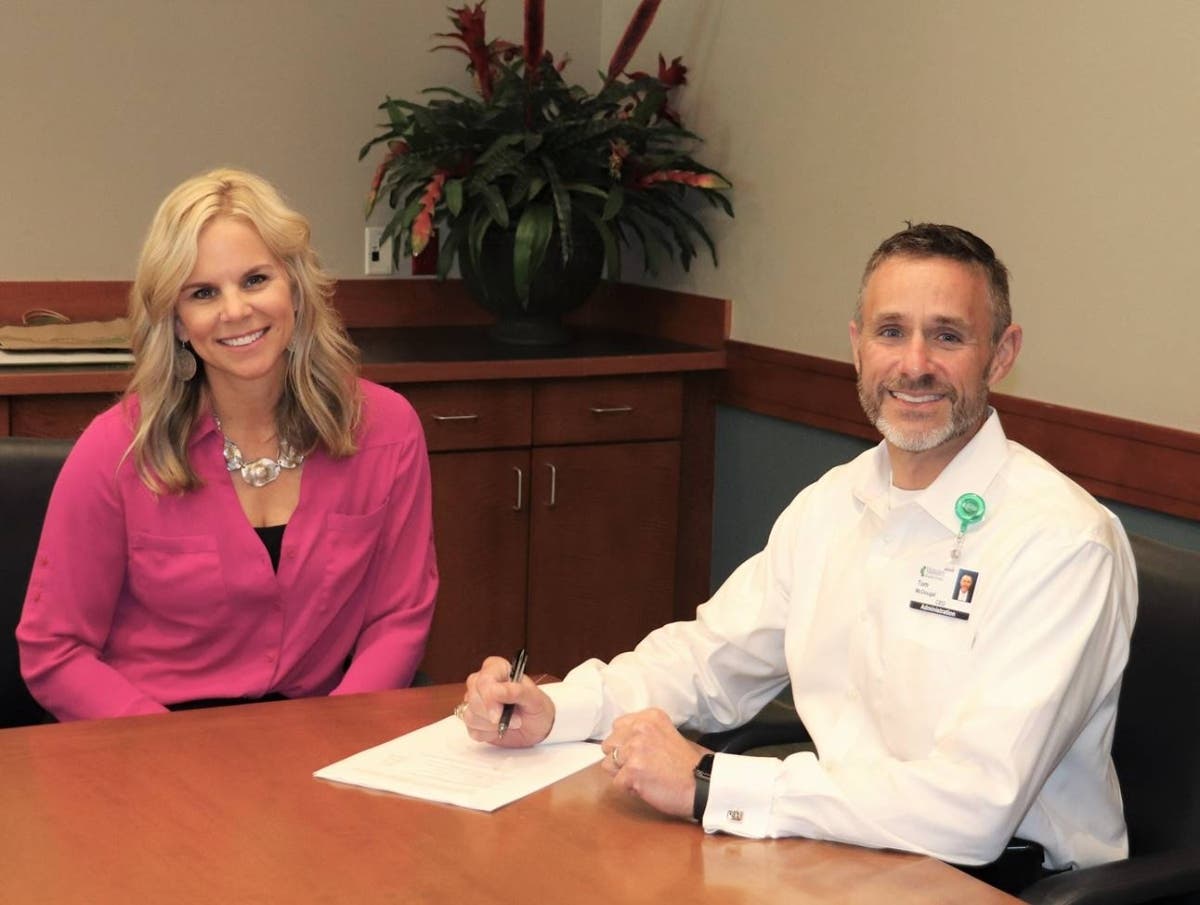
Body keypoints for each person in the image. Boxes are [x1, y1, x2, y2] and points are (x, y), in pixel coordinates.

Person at [459, 223, 1137, 889]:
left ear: (1001, 353)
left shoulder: (1063, 542)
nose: (915, 363)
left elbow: (973, 805)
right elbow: (707, 662)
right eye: (891, 331)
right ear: (856, 345)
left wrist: (708, 782)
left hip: (998, 877)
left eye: (949, 335)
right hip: (847, 849)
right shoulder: (833, 504)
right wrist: (559, 709)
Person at [17, 169, 438, 721]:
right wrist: (171, 752)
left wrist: (340, 737)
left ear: (295, 286)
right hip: (155, 742)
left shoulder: (386, 429)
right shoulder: (115, 449)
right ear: (176, 320)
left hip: (318, 733)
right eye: (203, 293)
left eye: (256, 279)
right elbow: (54, 650)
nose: (235, 311)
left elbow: (398, 617)